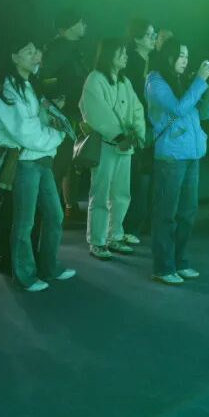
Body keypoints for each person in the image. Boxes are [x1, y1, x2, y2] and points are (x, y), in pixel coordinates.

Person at [0, 39, 75, 291]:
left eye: (37, 51)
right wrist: (57, 136)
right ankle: (25, 275)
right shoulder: (8, 90)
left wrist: (51, 127)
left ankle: (48, 266)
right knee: (24, 222)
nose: (36, 55)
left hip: (41, 159)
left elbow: (38, 124)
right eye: (29, 51)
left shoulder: (30, 85)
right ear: (14, 57)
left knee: (54, 215)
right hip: (26, 162)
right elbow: (26, 132)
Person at [145, 39, 209, 284]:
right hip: (171, 155)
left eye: (187, 55)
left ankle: (181, 262)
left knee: (188, 213)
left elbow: (204, 113)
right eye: (180, 55)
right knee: (166, 213)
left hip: (191, 154)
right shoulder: (156, 81)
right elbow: (177, 109)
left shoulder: (183, 80)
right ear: (168, 56)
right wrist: (199, 81)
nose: (185, 60)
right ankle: (163, 267)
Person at [79, 38, 146, 259]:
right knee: (100, 194)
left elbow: (137, 108)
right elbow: (96, 112)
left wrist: (137, 133)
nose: (125, 56)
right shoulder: (95, 79)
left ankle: (115, 235)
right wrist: (120, 136)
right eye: (121, 52)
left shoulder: (125, 81)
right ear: (109, 55)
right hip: (106, 145)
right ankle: (97, 241)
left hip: (125, 145)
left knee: (121, 194)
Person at [41, 10, 89, 223]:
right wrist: (58, 99)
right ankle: (53, 211)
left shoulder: (74, 48)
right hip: (63, 113)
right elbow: (45, 77)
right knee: (61, 162)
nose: (84, 25)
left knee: (71, 162)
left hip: (74, 111)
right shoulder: (58, 49)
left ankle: (67, 207)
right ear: (67, 27)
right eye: (80, 22)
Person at [123, 18, 157, 240]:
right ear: (136, 38)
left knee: (151, 176)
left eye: (154, 34)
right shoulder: (130, 62)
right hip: (136, 126)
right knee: (138, 179)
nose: (153, 38)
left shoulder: (153, 60)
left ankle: (147, 223)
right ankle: (130, 226)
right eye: (148, 35)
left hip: (153, 124)